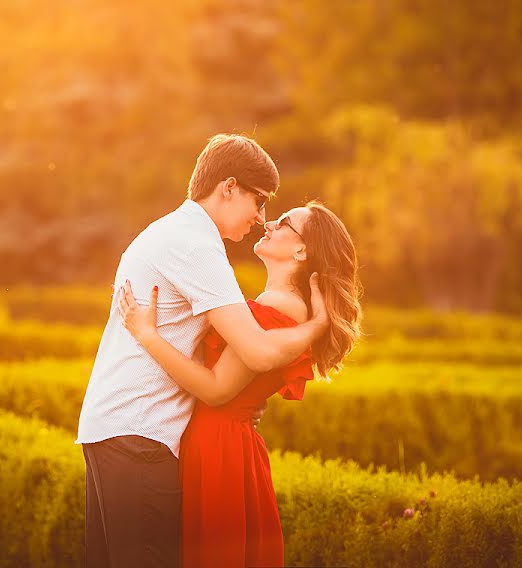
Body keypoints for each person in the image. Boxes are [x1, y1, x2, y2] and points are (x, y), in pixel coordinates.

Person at [75, 134, 329, 568]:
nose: (261, 217)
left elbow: (241, 360)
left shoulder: (173, 231)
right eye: (259, 200)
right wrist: (317, 326)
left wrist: (245, 399)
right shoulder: (197, 246)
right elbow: (258, 353)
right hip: (142, 435)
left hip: (116, 429)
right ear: (228, 188)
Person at [117, 201, 362, 568]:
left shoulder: (281, 305)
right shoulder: (281, 304)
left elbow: (217, 389)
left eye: (283, 223)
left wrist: (148, 336)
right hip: (227, 440)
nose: (268, 223)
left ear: (302, 250)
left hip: (218, 445)